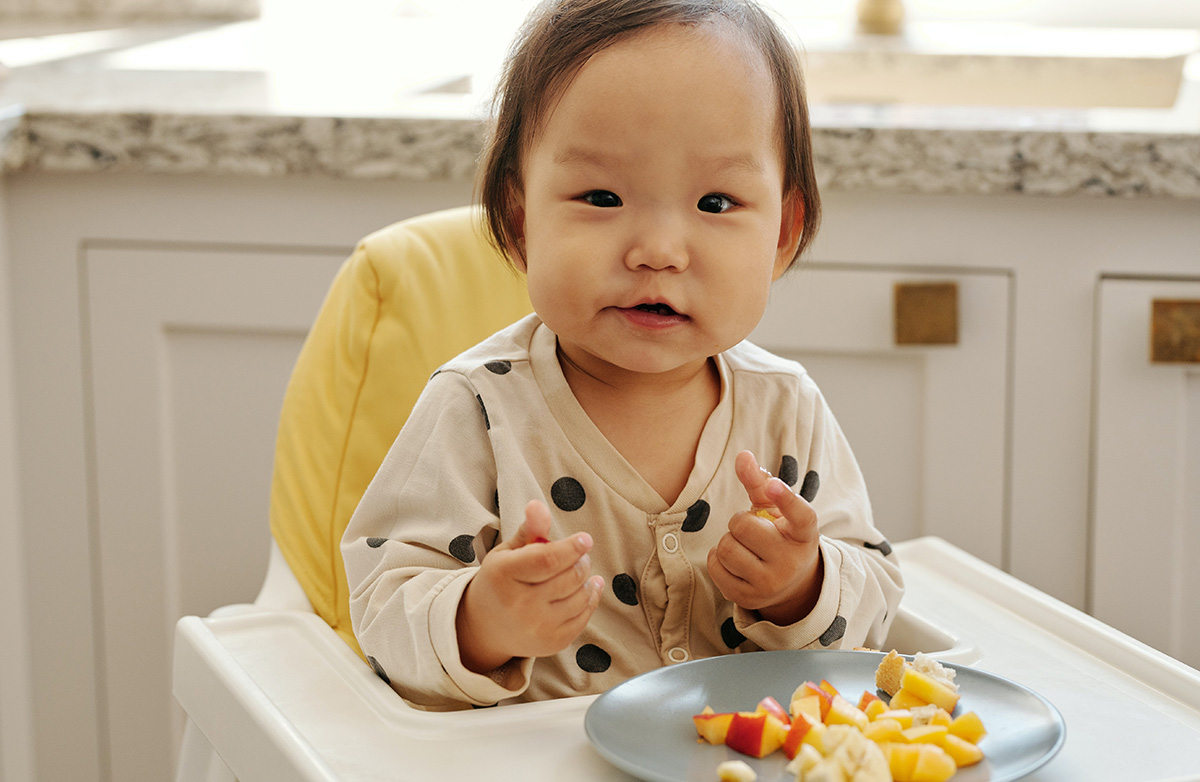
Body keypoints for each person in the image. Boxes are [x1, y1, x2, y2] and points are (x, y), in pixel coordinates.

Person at [342, 0, 903, 710]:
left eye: (717, 202)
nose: (658, 252)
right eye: (602, 196)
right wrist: (483, 618)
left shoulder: (786, 408)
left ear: (783, 234)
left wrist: (804, 585)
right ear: (521, 222)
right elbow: (381, 602)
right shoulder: (477, 407)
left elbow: (877, 599)